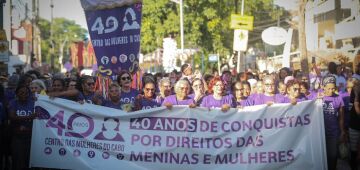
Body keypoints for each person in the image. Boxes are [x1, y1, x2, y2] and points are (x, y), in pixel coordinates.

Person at [320, 75, 346, 170]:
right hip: (319, 133)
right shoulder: (317, 97)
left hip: (333, 133)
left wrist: (342, 131)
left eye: (333, 88)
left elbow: (341, 118)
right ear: (323, 87)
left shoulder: (339, 98)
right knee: (322, 156)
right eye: (328, 88)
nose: (331, 90)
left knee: (333, 156)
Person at [8, 85, 36, 170]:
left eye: (27, 93)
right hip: (17, 138)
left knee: (29, 161)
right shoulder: (13, 102)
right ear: (17, 94)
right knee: (18, 162)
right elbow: (12, 117)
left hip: (31, 138)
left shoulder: (34, 103)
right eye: (21, 93)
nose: (24, 95)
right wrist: (29, 117)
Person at [349, 78, 360, 170]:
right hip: (355, 123)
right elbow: (355, 105)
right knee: (353, 150)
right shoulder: (356, 88)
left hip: (354, 123)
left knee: (354, 150)